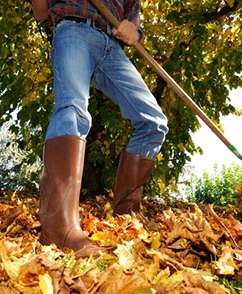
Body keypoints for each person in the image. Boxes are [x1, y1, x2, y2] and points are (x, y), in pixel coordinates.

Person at [31, 0, 168, 257]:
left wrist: (134, 31)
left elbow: (133, 20)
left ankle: (126, 217)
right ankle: (58, 229)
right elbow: (40, 12)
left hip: (112, 47)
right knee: (72, 109)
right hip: (73, 30)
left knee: (154, 122)